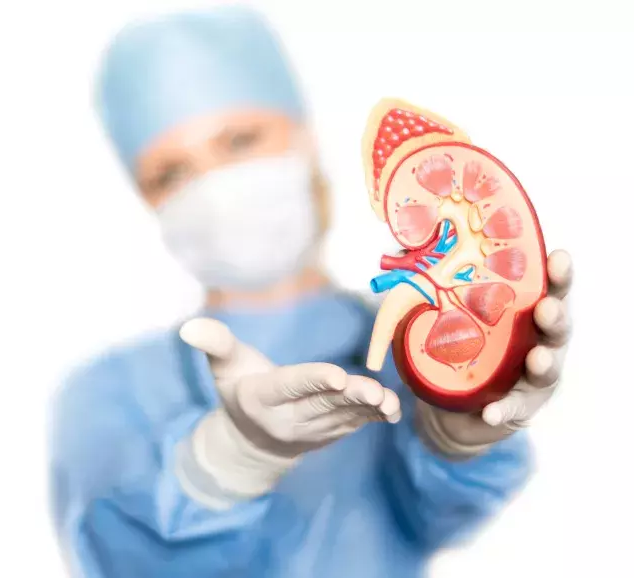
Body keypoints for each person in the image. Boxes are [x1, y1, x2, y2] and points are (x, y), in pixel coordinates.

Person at [49, 6, 573, 578]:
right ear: (147, 200)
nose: (215, 187)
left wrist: (455, 434)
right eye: (170, 173)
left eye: (239, 140)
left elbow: (446, 516)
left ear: (305, 136)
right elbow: (118, 558)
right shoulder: (106, 395)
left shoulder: (412, 351)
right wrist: (225, 462)